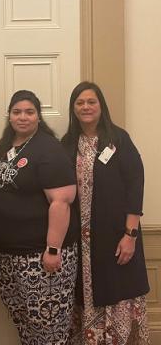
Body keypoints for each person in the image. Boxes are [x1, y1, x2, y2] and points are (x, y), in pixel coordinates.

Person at [62, 81, 150, 344]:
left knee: (118, 290)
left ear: (101, 106)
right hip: (81, 242)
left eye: (91, 101)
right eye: (80, 102)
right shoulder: (66, 144)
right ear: (73, 109)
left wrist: (130, 235)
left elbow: (136, 182)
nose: (86, 107)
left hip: (117, 237)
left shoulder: (118, 139)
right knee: (85, 295)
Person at [0, 89, 79, 345]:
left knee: (48, 327)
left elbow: (61, 202)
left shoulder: (48, 148)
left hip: (41, 256)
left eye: (29, 112)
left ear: (39, 117)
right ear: (9, 116)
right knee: (24, 320)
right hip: (9, 254)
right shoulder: (5, 146)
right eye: (17, 112)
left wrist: (53, 249)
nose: (23, 117)